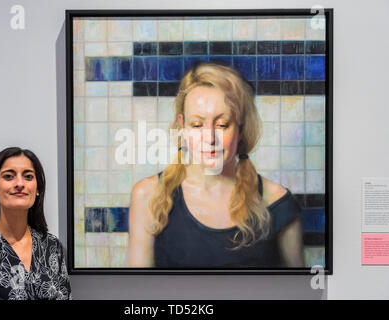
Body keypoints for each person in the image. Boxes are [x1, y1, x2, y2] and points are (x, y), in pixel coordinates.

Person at [127, 63, 304, 268]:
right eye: (197, 125)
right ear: (182, 126)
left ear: (241, 127)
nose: (209, 138)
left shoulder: (278, 203)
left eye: (222, 125)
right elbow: (138, 293)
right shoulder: (148, 196)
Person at [0, 147, 72, 300]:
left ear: (38, 188)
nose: (19, 183)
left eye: (28, 177)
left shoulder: (51, 246)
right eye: (9, 176)